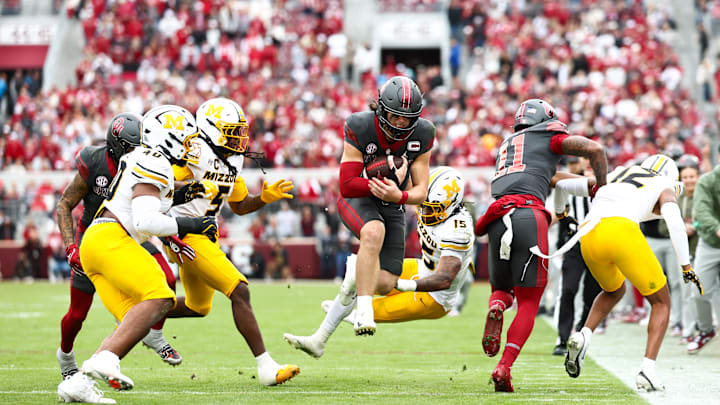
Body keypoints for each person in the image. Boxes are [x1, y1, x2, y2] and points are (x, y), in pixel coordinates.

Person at [58, 105, 218, 403]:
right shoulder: (154, 162)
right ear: (167, 138)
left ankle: (76, 384)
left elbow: (145, 205)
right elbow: (145, 220)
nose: (191, 146)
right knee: (161, 296)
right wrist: (194, 223)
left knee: (136, 320)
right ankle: (104, 359)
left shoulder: (144, 159)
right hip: (110, 239)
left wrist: (184, 194)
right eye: (185, 139)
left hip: (99, 243)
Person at [473, 98, 608, 392]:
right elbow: (595, 149)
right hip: (528, 217)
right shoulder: (548, 136)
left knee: (501, 290)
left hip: (498, 217)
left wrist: (589, 185)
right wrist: (603, 185)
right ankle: (504, 367)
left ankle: (497, 306)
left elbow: (552, 178)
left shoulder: (509, 145)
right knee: (530, 301)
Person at [164, 97, 300, 386]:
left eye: (240, 131)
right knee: (239, 289)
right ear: (211, 129)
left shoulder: (233, 159)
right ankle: (266, 367)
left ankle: (135, 311)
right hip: (184, 234)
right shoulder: (193, 149)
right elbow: (161, 185)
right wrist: (188, 187)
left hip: (204, 236)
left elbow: (238, 205)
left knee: (197, 307)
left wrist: (263, 198)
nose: (240, 138)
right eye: (232, 131)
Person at [284, 167, 473, 356]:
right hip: (421, 267)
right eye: (425, 203)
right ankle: (319, 339)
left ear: (452, 204)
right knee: (358, 275)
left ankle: (346, 318)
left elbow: (444, 278)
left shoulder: (458, 230)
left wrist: (402, 284)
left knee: (371, 310)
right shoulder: (424, 192)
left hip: (435, 298)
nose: (426, 210)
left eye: (434, 208)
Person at [557, 154, 703, 392]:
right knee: (661, 302)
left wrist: (559, 209)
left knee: (613, 290)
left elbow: (562, 182)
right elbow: (675, 222)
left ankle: (584, 334)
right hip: (622, 231)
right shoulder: (664, 183)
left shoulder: (616, 173)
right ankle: (648, 370)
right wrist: (686, 265)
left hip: (589, 234)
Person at [55, 112, 183, 381]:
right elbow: (65, 205)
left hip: (130, 235)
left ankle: (152, 337)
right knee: (77, 314)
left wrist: (170, 234)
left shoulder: (144, 162)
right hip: (95, 238)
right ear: (115, 144)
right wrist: (70, 247)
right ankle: (66, 355)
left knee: (166, 281)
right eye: (131, 147)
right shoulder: (93, 162)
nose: (138, 151)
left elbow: (149, 206)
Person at [329, 75, 434, 336]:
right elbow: (347, 184)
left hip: (393, 200)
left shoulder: (423, 132)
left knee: (386, 282)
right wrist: (381, 188)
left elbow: (422, 191)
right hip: (359, 194)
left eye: (407, 118)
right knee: (374, 231)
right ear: (381, 109)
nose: (401, 122)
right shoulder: (360, 125)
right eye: (395, 115)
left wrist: (398, 197)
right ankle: (364, 310)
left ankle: (356, 274)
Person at [552, 157, 602, 356]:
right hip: (575, 244)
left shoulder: (605, 185)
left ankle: (581, 333)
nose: (574, 165)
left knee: (592, 294)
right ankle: (562, 339)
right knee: (568, 290)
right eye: (570, 163)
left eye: (577, 162)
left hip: (598, 245)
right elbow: (558, 212)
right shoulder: (569, 185)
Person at [687, 153, 720, 354]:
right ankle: (706, 330)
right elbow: (701, 210)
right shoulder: (707, 181)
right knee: (699, 290)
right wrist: (716, 227)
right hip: (709, 243)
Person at [676, 154, 700, 343]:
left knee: (708, 290)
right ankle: (688, 330)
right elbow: (663, 226)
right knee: (687, 292)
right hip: (685, 252)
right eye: (686, 177)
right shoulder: (676, 198)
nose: (689, 180)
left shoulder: (705, 194)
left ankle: (707, 326)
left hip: (704, 248)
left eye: (692, 176)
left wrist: (696, 227)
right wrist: (681, 228)